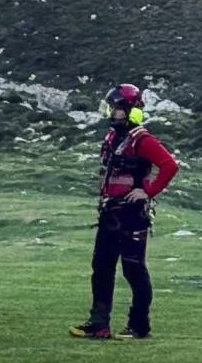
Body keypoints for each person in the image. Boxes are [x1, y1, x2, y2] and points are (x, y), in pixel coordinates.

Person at [69, 84, 179, 341]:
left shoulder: (144, 140)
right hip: (110, 213)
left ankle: (139, 325)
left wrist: (148, 191)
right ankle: (99, 324)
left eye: (117, 108)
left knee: (133, 269)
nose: (112, 112)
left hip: (132, 214)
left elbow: (169, 166)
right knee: (102, 267)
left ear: (130, 111)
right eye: (112, 107)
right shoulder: (112, 137)